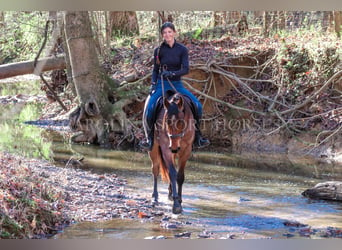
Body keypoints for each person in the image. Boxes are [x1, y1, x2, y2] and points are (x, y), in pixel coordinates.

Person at [140, 22, 210, 151]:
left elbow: (185, 69)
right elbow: (155, 70)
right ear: (162, 35)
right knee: (149, 108)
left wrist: (172, 73)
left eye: (169, 32)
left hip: (177, 84)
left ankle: (198, 137)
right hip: (161, 84)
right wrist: (153, 84)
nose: (167, 35)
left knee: (197, 106)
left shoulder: (182, 49)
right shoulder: (158, 50)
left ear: (174, 33)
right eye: (165, 33)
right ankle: (149, 139)